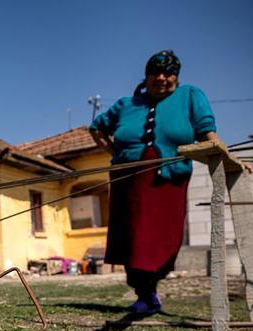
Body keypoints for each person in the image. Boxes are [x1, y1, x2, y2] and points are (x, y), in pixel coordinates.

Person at [90, 50, 235, 314]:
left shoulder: (190, 95)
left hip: (167, 180)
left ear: (176, 77)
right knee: (131, 238)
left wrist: (228, 159)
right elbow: (97, 128)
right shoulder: (126, 104)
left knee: (160, 238)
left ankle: (151, 287)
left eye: (168, 73)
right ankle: (145, 294)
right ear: (145, 76)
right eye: (154, 73)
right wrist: (116, 155)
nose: (161, 78)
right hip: (127, 180)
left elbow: (208, 133)